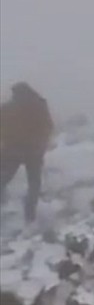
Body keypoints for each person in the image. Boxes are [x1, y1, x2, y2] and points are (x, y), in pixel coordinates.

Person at [0, 82, 54, 222]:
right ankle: (30, 216)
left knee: (3, 179)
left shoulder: (8, 108)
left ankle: (8, 210)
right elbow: (48, 126)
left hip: (12, 150)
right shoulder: (39, 106)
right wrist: (41, 145)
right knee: (34, 185)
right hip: (33, 151)